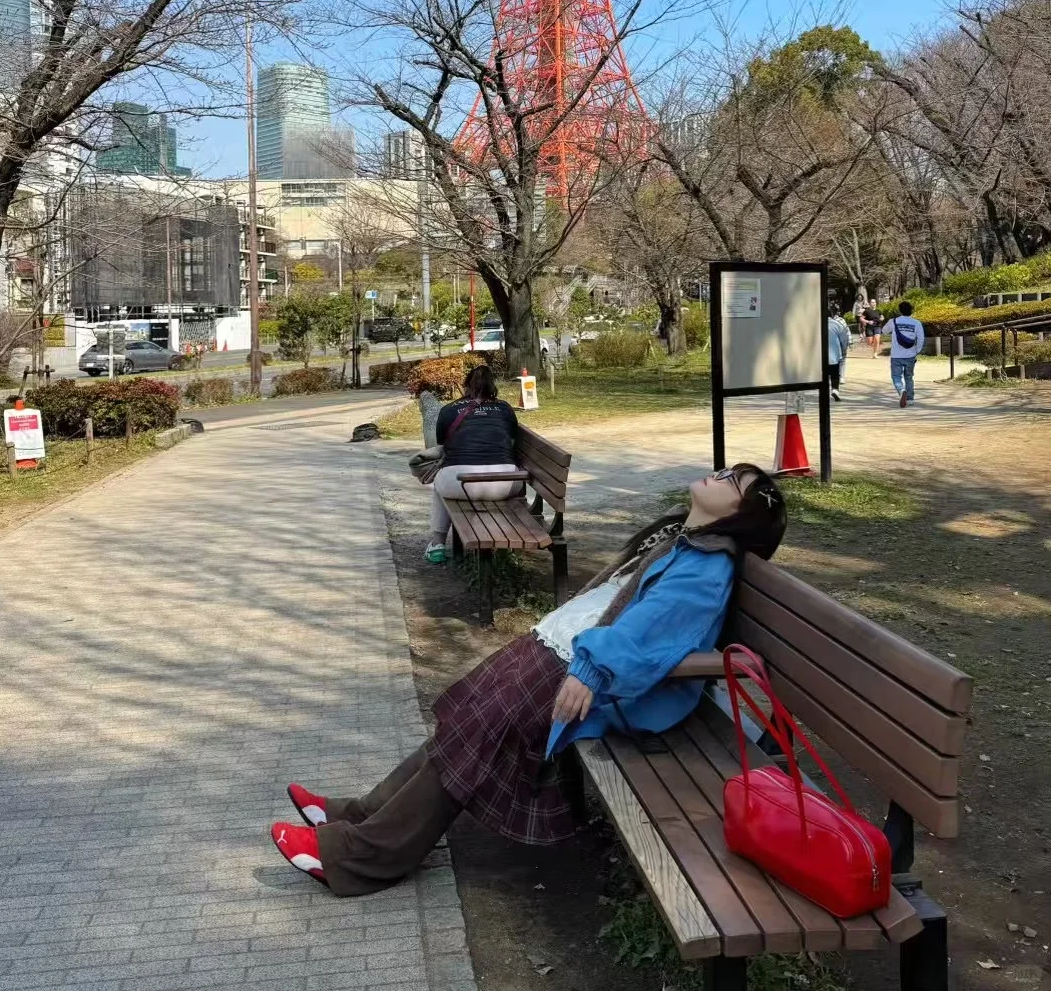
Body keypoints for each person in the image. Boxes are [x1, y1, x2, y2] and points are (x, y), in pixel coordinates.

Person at [270, 464, 787, 896]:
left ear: (741, 515)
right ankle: (357, 814)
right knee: (466, 729)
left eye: (732, 482)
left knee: (476, 741)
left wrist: (590, 670)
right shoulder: (684, 539)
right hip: (559, 648)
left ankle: (356, 859)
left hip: (585, 675)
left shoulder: (704, 567)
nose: (718, 475)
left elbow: (647, 636)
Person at [424, 364, 523, 565]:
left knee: (439, 484)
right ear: (492, 386)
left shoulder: (449, 410)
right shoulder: (504, 408)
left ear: (466, 385)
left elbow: (443, 444)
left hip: (460, 484)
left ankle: (437, 545)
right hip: (504, 484)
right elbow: (511, 443)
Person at [881, 300, 925, 408]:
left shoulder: (894, 321)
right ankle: (910, 399)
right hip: (910, 355)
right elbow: (921, 339)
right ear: (911, 310)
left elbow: (884, 331)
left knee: (896, 376)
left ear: (899, 310)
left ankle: (901, 390)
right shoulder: (916, 323)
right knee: (909, 377)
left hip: (896, 355)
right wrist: (916, 350)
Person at [827, 305, 851, 401]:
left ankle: (823, 390)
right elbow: (844, 339)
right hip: (834, 355)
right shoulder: (836, 324)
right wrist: (844, 349)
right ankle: (835, 389)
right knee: (835, 373)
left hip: (819, 356)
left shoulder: (815, 324)